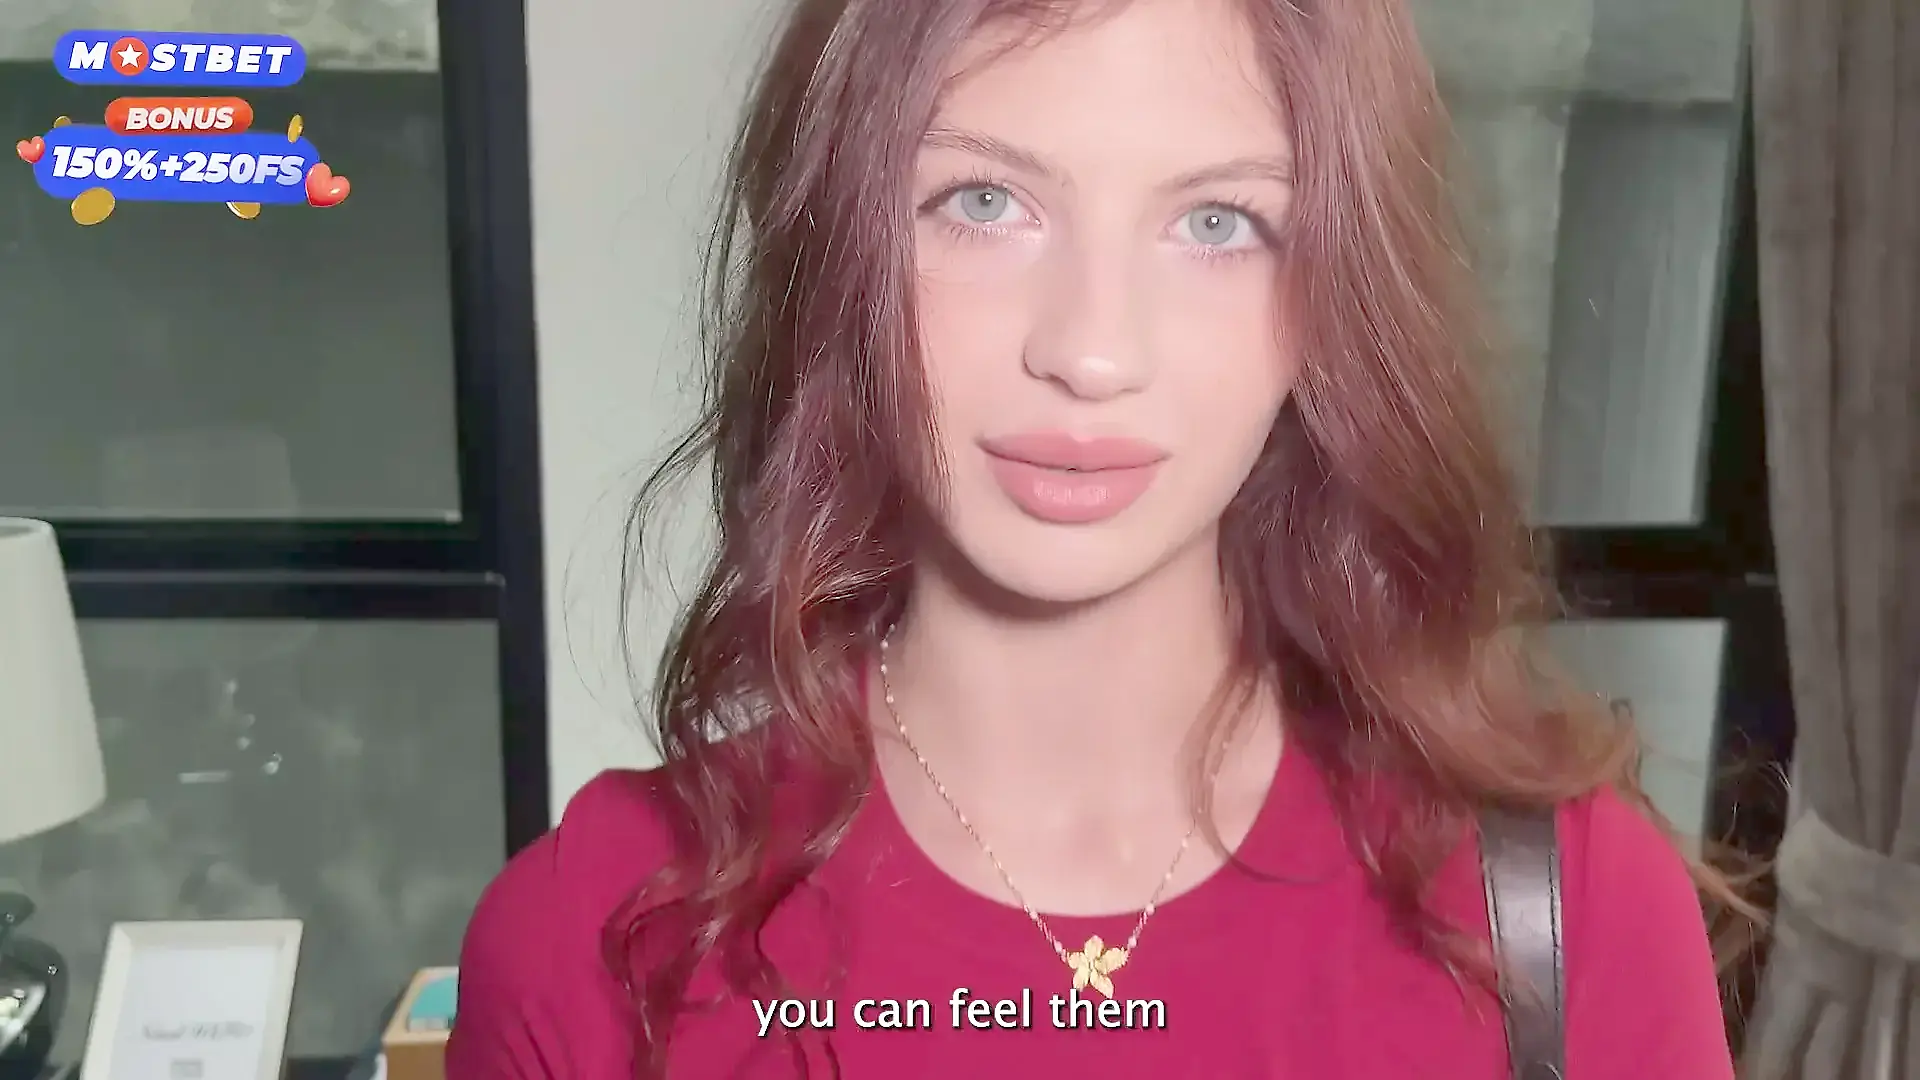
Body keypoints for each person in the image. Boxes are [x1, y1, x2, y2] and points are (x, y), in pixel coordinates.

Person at [449, 0, 1745, 1075]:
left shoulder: (1573, 917)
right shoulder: (592, 947)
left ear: (1334, 297)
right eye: (983, 202)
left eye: (1217, 223)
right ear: (837, 250)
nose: (1092, 350)